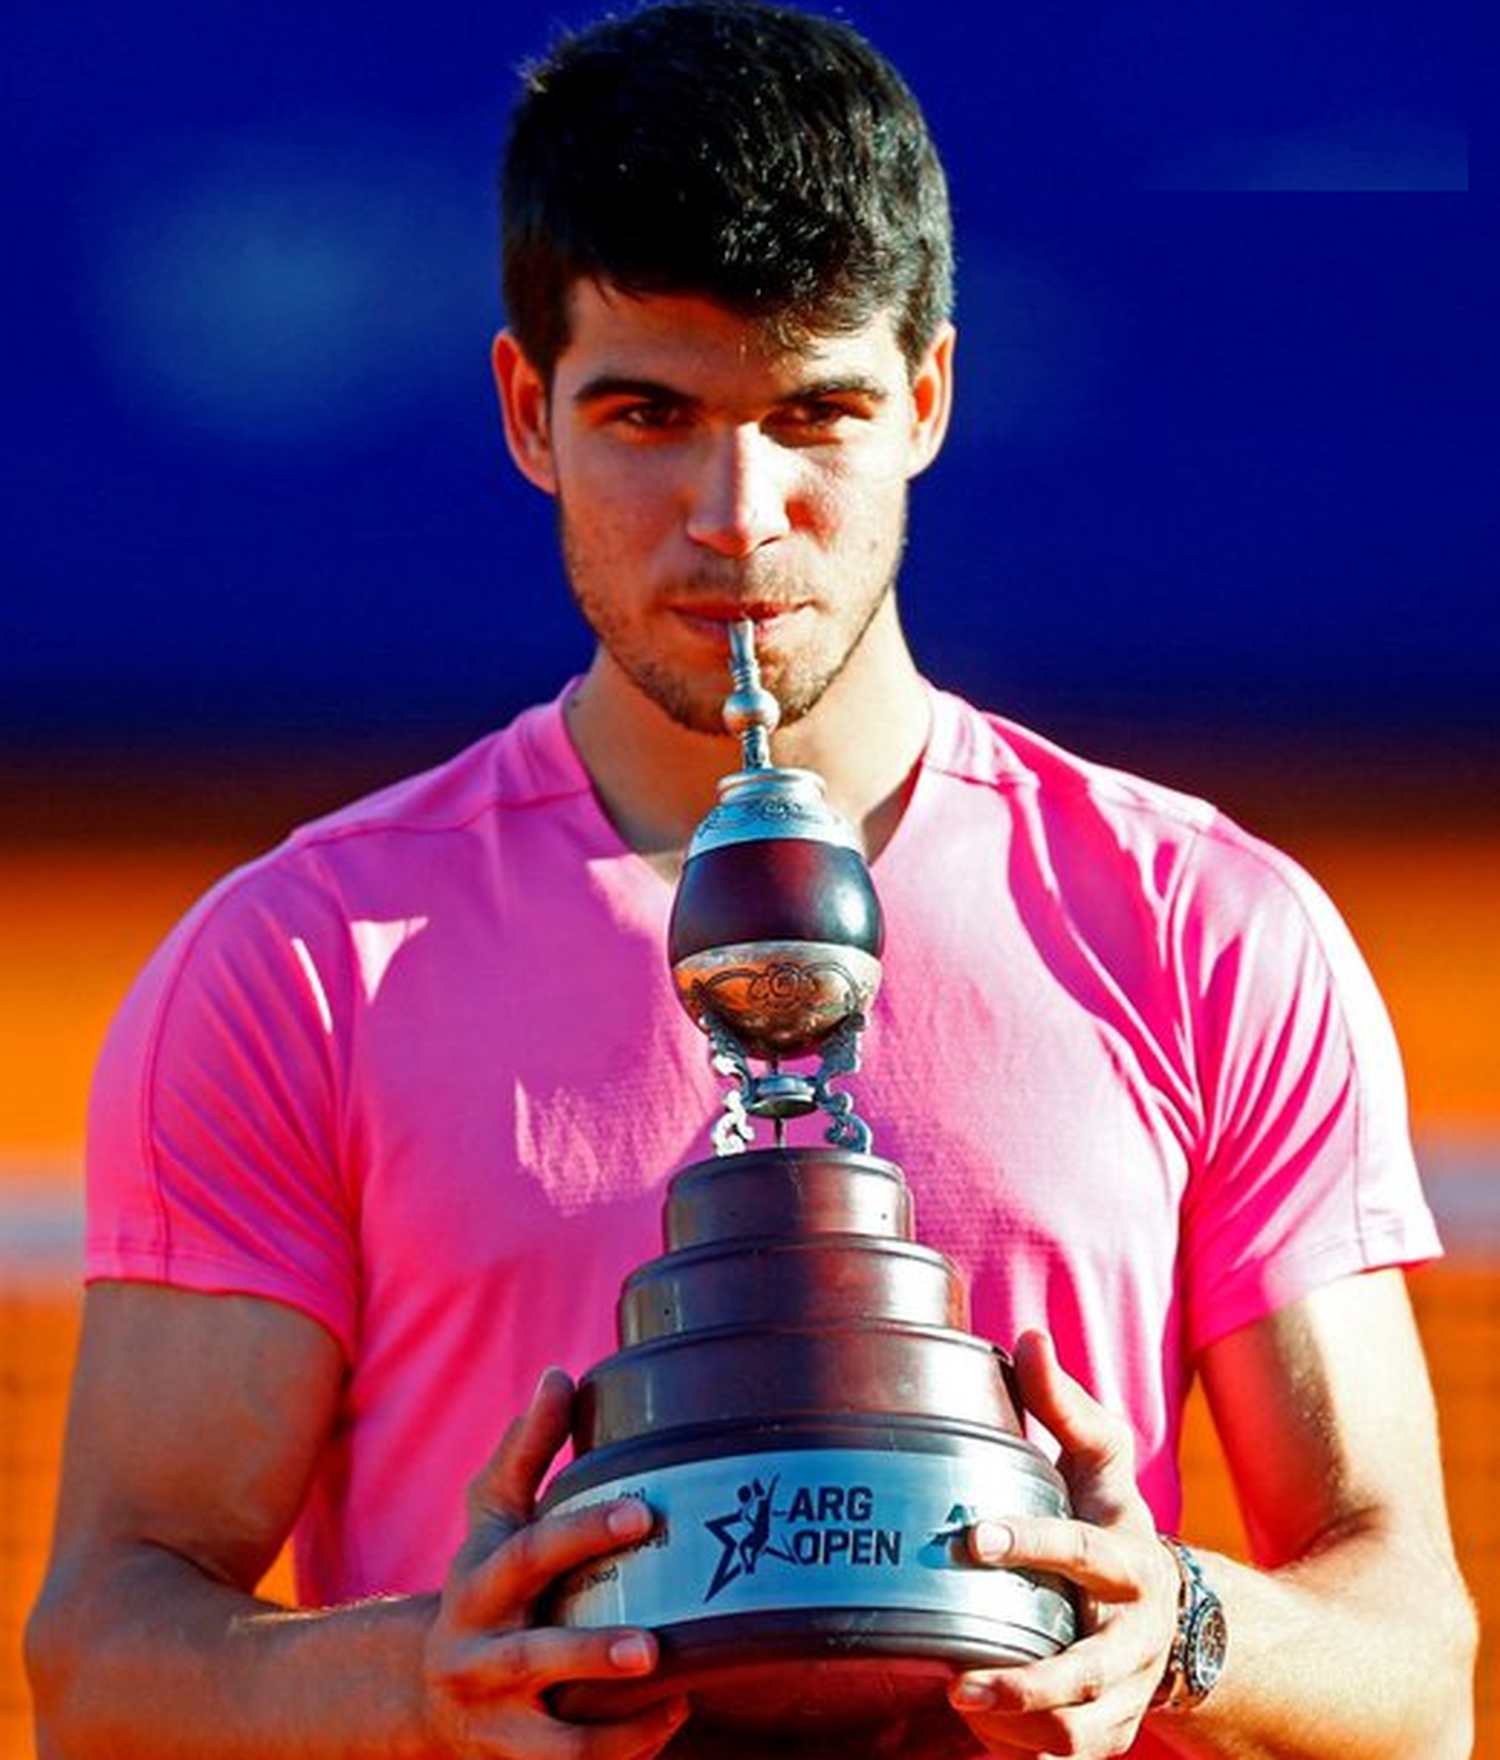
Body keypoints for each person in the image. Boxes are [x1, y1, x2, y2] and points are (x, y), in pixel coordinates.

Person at [26, 3, 1476, 1756]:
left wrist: (1169, 1622)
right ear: (526, 411)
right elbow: (107, 1654)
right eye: (647, 412)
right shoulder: (304, 967)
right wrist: (421, 1679)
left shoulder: (1207, 934)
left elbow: (1414, 1660)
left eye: (818, 411)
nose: (737, 507)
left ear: (928, 396)